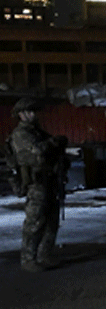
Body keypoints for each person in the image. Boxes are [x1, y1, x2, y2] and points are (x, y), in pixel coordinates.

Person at [7, 97, 67, 272]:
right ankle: (29, 259)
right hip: (36, 183)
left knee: (51, 221)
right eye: (29, 111)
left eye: (34, 111)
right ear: (21, 114)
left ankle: (44, 256)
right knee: (35, 222)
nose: (34, 115)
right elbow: (38, 152)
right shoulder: (21, 134)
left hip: (49, 181)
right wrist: (54, 142)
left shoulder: (37, 133)